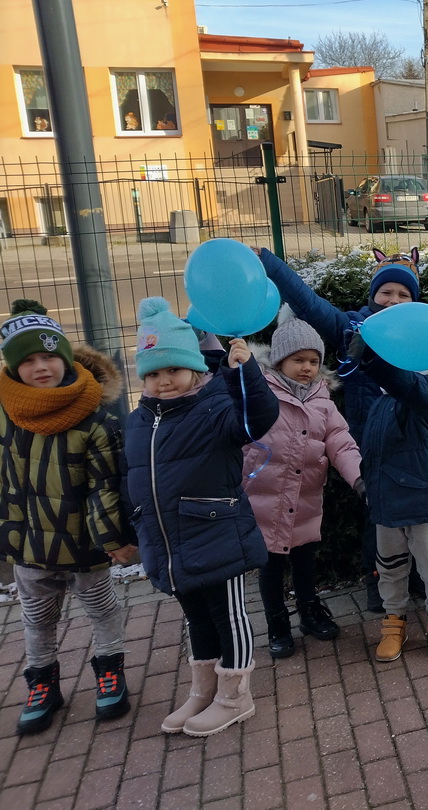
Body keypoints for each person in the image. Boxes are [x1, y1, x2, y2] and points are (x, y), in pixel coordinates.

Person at [126, 297, 279, 737]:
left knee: (229, 615)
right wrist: (132, 524)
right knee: (196, 617)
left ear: (193, 368)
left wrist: (245, 372)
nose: (163, 381)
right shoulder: (139, 420)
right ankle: (204, 690)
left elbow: (257, 419)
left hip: (216, 532)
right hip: (169, 542)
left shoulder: (214, 406)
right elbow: (131, 476)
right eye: (152, 373)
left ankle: (235, 696)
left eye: (173, 369)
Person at [260, 245, 426, 612]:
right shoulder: (352, 328)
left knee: (418, 513)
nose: (393, 300)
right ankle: (377, 579)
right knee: (376, 517)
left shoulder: (421, 334)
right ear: (372, 295)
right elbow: (308, 304)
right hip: (370, 444)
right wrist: (269, 262)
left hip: (413, 441)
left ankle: (415, 574)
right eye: (386, 291)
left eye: (403, 294)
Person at [0, 301, 134, 735]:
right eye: (28, 361)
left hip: (83, 541)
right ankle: (43, 683)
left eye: (49, 356)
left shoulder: (93, 417)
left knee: (101, 607)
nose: (41, 367)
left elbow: (104, 485)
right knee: (37, 617)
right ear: (14, 367)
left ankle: (110, 670)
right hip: (28, 542)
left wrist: (113, 538)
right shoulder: (5, 414)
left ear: (66, 358)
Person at [244, 308, 362, 659]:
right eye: (298, 360)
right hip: (265, 500)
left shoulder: (322, 400)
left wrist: (359, 477)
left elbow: (340, 441)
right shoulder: (260, 392)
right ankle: (277, 622)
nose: (307, 367)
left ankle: (310, 612)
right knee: (270, 567)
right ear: (279, 360)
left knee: (305, 561)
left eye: (313, 361)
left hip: (306, 499)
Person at [352, 327, 428, 663]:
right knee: (389, 565)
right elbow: (372, 451)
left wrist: (374, 360)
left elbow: (412, 387)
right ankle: (394, 621)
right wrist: (367, 485)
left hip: (425, 499)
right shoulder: (381, 403)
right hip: (386, 502)